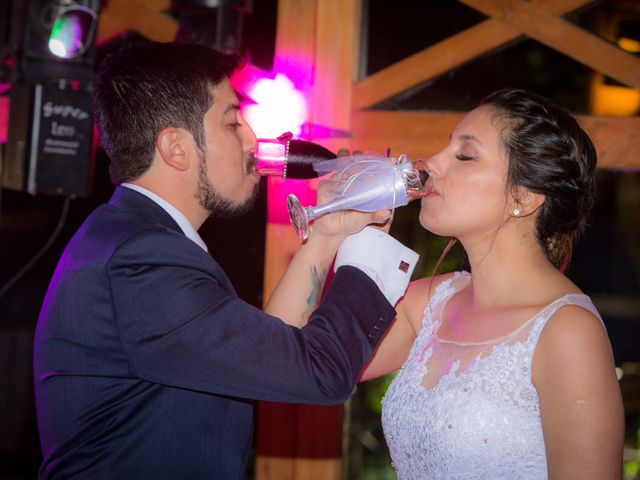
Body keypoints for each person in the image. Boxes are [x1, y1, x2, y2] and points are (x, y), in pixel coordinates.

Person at [32, 41, 420, 479]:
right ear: (176, 148)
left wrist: (329, 232)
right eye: (232, 121)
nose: (252, 138)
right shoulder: (140, 264)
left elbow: (275, 349)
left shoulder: (133, 243)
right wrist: (370, 249)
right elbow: (320, 371)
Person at [356, 88, 625, 479]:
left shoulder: (566, 331)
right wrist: (331, 234)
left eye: (464, 155)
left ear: (525, 196)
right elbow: (297, 361)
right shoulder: (430, 302)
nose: (432, 162)